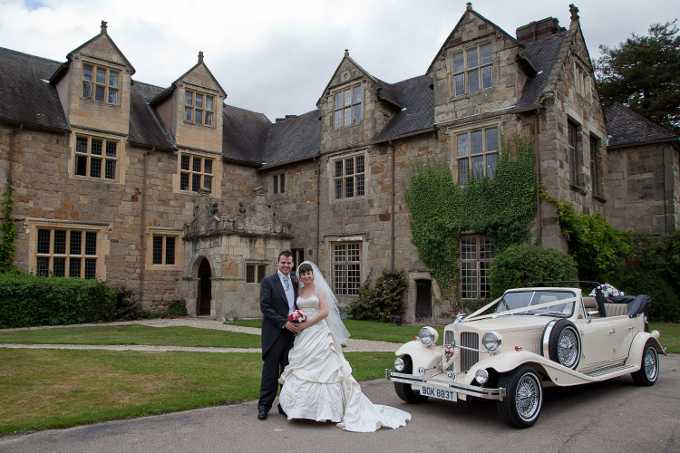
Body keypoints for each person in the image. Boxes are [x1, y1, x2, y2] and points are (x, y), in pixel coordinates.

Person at [277, 261, 411, 432]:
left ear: (313, 274)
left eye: (309, 273)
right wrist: (298, 320)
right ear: (300, 276)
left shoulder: (319, 290)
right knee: (302, 368)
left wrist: (307, 323)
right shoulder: (300, 290)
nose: (306, 276)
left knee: (326, 370)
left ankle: (329, 411)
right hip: (304, 335)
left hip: (318, 332)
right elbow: (298, 309)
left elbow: (324, 311)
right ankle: (301, 410)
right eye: (303, 274)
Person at [257, 250, 299, 420]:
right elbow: (265, 307)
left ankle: (285, 405)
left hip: (292, 335)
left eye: (289, 263)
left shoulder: (296, 282)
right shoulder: (268, 282)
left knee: (288, 371)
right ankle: (264, 406)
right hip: (274, 333)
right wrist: (284, 322)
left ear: (293, 264)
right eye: (283, 262)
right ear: (278, 263)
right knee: (270, 372)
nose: (286, 265)